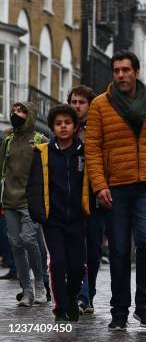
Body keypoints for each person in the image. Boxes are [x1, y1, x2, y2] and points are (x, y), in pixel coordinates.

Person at [85, 51, 146, 331]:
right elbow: (92, 148)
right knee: (119, 251)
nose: (120, 75)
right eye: (116, 71)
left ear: (136, 72)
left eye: (125, 70)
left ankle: (145, 308)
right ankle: (119, 312)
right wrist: (99, 185)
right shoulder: (101, 104)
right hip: (115, 186)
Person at [27, 104, 90, 322]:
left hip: (78, 218)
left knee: (77, 266)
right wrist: (39, 213)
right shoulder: (42, 152)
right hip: (53, 219)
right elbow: (34, 184)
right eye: (58, 123)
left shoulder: (85, 152)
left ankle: (72, 295)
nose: (63, 127)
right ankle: (60, 309)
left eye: (67, 123)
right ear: (52, 128)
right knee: (58, 262)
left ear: (75, 127)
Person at [0, 102, 48, 307]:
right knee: (16, 244)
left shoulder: (40, 140)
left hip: (31, 201)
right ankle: (26, 290)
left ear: (30, 115)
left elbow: (48, 172)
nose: (15, 114)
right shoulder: (8, 141)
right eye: (13, 111)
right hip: (9, 200)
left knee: (29, 240)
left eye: (20, 111)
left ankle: (40, 284)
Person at [67, 85, 103, 315]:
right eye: (73, 102)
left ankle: (87, 294)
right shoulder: (65, 129)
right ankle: (81, 294)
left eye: (81, 102)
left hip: (94, 195)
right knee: (75, 248)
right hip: (70, 197)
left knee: (93, 249)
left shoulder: (98, 129)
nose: (76, 106)